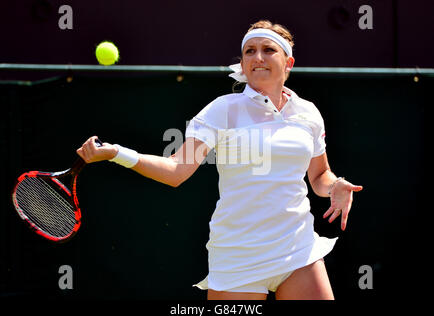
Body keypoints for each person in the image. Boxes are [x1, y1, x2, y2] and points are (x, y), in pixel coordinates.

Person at [77, 20, 363, 300]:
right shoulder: (222, 110)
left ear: (288, 63)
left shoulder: (308, 113)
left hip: (298, 247)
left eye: (268, 49)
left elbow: (318, 175)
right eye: (249, 51)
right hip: (239, 253)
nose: (258, 57)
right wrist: (117, 153)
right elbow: (176, 170)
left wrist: (334, 184)